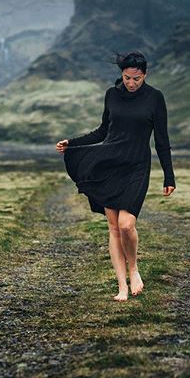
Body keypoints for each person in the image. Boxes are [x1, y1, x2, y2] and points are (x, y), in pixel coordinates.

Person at [56, 51, 176, 301]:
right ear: (121, 75)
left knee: (126, 225)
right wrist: (73, 143)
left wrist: (169, 177)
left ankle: (134, 268)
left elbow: (162, 140)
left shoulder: (155, 98)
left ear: (145, 75)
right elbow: (103, 131)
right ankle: (121, 286)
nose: (131, 83)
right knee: (113, 227)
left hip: (137, 166)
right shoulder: (112, 95)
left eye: (137, 78)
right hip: (110, 165)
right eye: (127, 78)